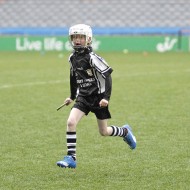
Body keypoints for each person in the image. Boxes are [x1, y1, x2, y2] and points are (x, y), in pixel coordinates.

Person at [56, 24, 136, 169]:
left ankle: (124, 131)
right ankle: (71, 158)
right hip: (83, 98)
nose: (77, 40)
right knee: (71, 122)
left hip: (99, 99)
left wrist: (106, 98)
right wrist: (72, 96)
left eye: (81, 37)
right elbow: (73, 77)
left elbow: (108, 77)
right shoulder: (72, 58)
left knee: (104, 132)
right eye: (74, 37)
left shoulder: (93, 58)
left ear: (89, 39)